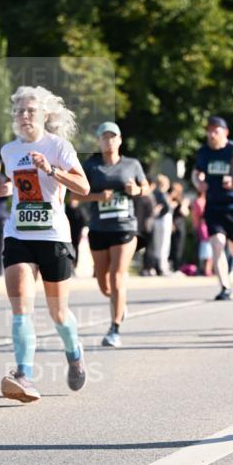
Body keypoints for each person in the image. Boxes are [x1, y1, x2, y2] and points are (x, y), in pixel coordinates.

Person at [0, 85, 89, 403]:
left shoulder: (59, 146)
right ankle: (24, 374)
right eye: (20, 111)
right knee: (21, 311)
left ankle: (74, 353)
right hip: (19, 234)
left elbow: (83, 187)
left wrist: (51, 169)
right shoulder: (9, 151)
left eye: (31, 110)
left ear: (45, 114)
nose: (25, 116)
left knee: (58, 314)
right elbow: (18, 188)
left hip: (54, 237)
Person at [80, 122, 149, 347]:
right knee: (104, 284)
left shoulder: (132, 164)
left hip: (125, 228)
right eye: (104, 137)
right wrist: (97, 197)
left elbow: (147, 187)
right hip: (99, 228)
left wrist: (137, 190)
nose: (108, 141)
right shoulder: (90, 166)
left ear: (119, 140)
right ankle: (119, 304)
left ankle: (114, 329)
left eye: (113, 137)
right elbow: (74, 195)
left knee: (117, 276)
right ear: (99, 141)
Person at [192, 115, 233, 300]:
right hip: (213, 205)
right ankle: (225, 287)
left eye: (216, 130)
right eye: (209, 130)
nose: (211, 134)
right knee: (217, 244)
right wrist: (198, 182)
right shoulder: (203, 151)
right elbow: (196, 172)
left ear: (225, 132)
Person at [152, 174, 174, 276]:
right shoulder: (163, 194)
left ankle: (157, 266)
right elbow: (166, 208)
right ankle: (162, 267)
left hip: (157, 220)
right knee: (164, 244)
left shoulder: (154, 193)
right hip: (164, 220)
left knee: (157, 244)